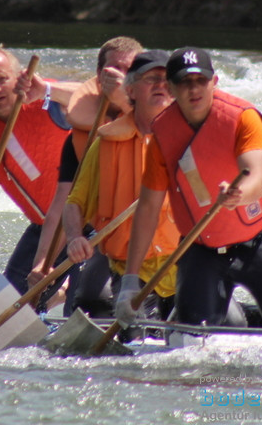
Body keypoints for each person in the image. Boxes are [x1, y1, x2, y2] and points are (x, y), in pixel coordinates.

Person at [118, 47, 262, 329]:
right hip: (201, 246)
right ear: (171, 89)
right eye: (185, 82)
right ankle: (209, 313)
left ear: (215, 82)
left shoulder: (243, 117)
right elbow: (148, 208)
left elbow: (256, 177)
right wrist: (129, 281)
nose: (194, 89)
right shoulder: (162, 131)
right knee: (195, 330)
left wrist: (238, 194)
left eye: (201, 80)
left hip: (260, 237)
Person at [62, 50, 181, 323]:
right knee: (94, 302)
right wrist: (74, 237)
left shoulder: (190, 140)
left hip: (180, 261)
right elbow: (74, 203)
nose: (161, 86)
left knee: (222, 323)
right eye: (152, 79)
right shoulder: (105, 144)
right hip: (128, 263)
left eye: (167, 80)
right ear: (131, 89)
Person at [29, 36, 143, 313]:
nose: (120, 77)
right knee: (88, 300)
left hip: (151, 232)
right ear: (98, 76)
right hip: (106, 233)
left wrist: (122, 97)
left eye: (129, 71)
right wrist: (43, 264)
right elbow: (62, 203)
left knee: (117, 296)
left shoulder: (160, 122)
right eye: (113, 69)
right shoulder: (81, 139)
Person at [0, 46, 77, 296]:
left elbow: (94, 95)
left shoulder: (51, 101)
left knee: (66, 292)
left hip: (88, 219)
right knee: (11, 299)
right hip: (45, 227)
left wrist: (49, 91)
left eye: (2, 80)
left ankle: (65, 292)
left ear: (19, 77)